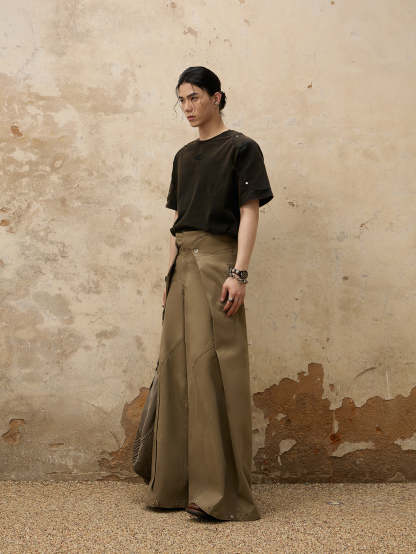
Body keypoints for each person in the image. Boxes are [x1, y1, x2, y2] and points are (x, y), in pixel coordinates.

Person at [144, 66, 274, 521]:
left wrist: (239, 272)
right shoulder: (183, 156)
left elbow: (249, 211)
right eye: (181, 100)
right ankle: (175, 486)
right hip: (182, 265)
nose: (187, 107)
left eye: (194, 97)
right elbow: (178, 222)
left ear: (217, 97)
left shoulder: (241, 148)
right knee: (178, 370)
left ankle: (219, 493)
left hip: (219, 263)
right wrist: (168, 278)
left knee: (215, 372)